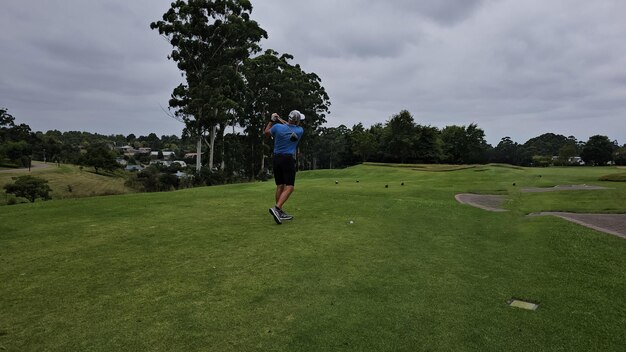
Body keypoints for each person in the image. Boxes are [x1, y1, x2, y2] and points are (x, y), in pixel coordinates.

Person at [265, 110, 305, 224]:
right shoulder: (300, 130)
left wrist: (272, 120)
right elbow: (289, 125)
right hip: (287, 159)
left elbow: (267, 133)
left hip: (276, 158)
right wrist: (279, 120)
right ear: (297, 121)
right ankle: (277, 209)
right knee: (290, 187)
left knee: (280, 186)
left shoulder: (277, 127)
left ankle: (280, 212)